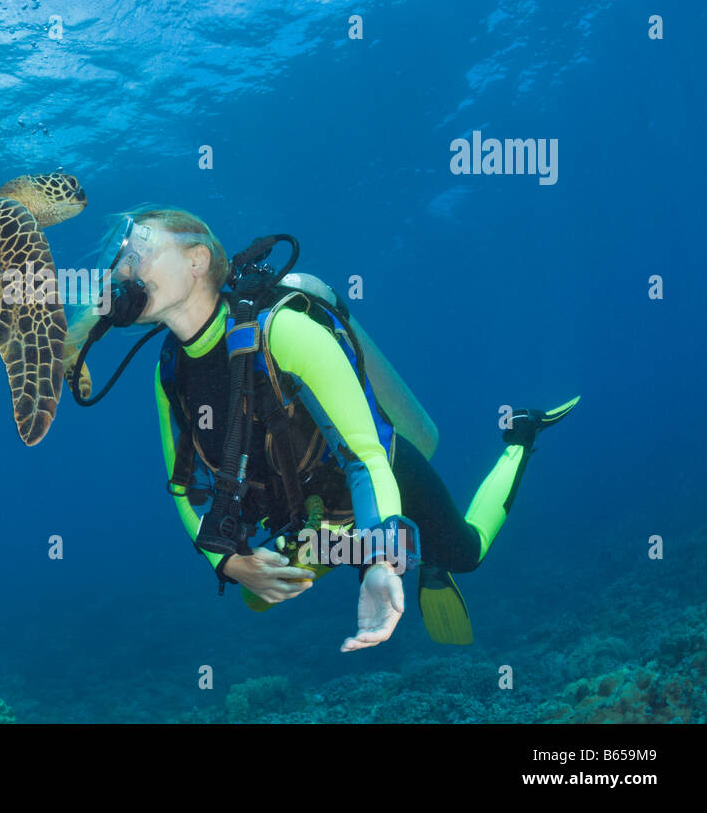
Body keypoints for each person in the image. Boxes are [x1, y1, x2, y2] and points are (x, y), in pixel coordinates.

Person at [68, 208, 577, 651]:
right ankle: (385, 547)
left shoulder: (283, 330)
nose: (123, 268)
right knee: (255, 596)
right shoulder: (170, 369)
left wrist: (380, 560)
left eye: (140, 251)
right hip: (311, 513)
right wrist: (225, 563)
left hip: (382, 477)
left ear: (198, 260)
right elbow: (183, 489)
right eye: (122, 259)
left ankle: (520, 439)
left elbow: (367, 454)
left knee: (465, 553)